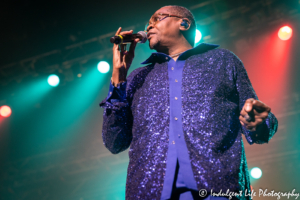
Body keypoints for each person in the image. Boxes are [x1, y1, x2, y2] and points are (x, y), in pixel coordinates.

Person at [99, 5, 278, 200]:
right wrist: (118, 78)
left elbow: (260, 124)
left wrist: (260, 121)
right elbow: (114, 141)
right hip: (149, 192)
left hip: (217, 190)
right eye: (147, 24)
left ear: (183, 23)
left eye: (157, 19)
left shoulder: (223, 61)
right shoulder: (137, 77)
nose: (148, 27)